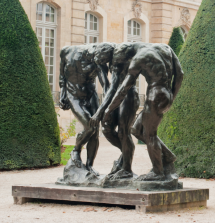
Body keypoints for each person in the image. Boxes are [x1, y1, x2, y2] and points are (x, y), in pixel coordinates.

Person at [90, 42, 183, 181]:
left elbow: (123, 89)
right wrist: (171, 98)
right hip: (165, 94)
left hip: (155, 95)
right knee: (136, 130)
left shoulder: (137, 59)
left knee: (149, 135)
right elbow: (180, 74)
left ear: (128, 54)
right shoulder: (164, 48)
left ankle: (158, 173)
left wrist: (108, 110)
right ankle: (168, 156)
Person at [59, 43, 114, 175]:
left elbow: (105, 86)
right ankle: (76, 151)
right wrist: (62, 93)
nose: (101, 63)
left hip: (90, 95)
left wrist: (110, 105)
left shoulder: (98, 61)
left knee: (95, 132)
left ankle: (89, 166)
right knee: (89, 127)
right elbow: (62, 75)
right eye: (100, 60)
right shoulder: (67, 51)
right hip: (73, 95)